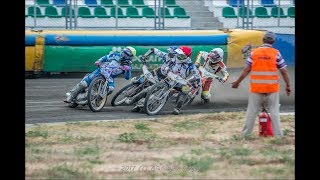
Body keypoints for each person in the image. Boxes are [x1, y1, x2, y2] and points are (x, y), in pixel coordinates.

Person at [231, 31, 291, 138]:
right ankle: (278, 136)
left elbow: (246, 70)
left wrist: (237, 82)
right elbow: (284, 71)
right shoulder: (276, 53)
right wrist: (288, 86)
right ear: (273, 41)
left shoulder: (254, 53)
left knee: (252, 112)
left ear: (263, 40)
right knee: (274, 112)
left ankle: (245, 135)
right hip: (272, 88)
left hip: (256, 88)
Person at [131, 46, 201, 115]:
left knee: (185, 90)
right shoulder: (173, 57)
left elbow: (197, 76)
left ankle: (177, 108)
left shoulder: (191, 65)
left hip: (179, 82)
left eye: (182, 56)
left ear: (188, 56)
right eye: (178, 54)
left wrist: (193, 81)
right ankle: (134, 100)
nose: (179, 57)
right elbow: (159, 53)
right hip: (167, 78)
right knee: (150, 89)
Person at [64, 46, 136, 103]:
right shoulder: (115, 55)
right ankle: (71, 96)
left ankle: (99, 100)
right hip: (100, 71)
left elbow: (127, 77)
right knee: (84, 84)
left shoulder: (129, 65)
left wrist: (128, 70)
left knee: (111, 89)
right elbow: (105, 57)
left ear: (131, 57)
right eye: (124, 53)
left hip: (110, 78)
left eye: (127, 55)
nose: (125, 55)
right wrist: (99, 61)